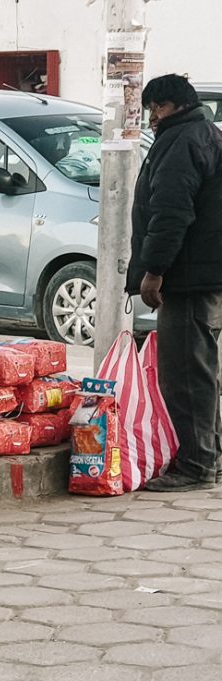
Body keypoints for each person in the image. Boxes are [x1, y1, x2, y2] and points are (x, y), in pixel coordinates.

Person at [126, 74, 222, 492]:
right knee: (203, 371)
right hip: (206, 272)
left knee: (185, 373)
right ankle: (209, 456)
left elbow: (171, 212)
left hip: (188, 278)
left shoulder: (182, 141)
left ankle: (196, 465)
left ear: (166, 106)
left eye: (153, 109)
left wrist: (154, 269)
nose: (150, 118)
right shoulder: (207, 134)